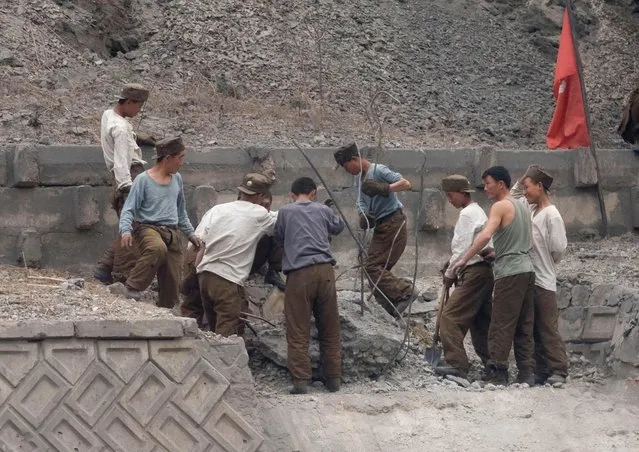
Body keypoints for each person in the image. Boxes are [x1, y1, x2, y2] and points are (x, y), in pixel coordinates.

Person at [451, 166, 535, 386]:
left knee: (501, 323)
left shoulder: (500, 206)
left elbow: (484, 235)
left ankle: (497, 373)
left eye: (488, 183)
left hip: (510, 272)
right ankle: (527, 372)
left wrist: (464, 258)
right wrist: (497, 253)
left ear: (501, 184)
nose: (485, 188)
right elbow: (524, 241)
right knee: (524, 324)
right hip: (527, 270)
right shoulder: (522, 207)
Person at [274, 177, 345, 394]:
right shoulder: (323, 210)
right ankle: (333, 379)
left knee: (298, 329)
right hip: (325, 272)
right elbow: (338, 227)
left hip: (298, 273)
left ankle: (300, 382)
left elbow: (279, 237)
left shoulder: (285, 212)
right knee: (330, 327)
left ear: (293, 195)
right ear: (313, 193)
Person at [113, 136, 202, 308]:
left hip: (172, 233)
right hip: (148, 229)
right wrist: (125, 231)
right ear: (168, 158)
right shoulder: (143, 180)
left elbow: (180, 211)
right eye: (180, 158)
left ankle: (166, 311)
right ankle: (132, 288)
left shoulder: (177, 179)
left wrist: (191, 234)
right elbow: (129, 209)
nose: (182, 163)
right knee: (157, 248)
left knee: (173, 279)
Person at [180, 189, 285, 330]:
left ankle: (197, 336)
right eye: (263, 204)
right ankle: (201, 337)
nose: (264, 209)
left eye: (267, 206)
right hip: (200, 251)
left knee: (215, 304)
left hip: (202, 252)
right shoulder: (254, 215)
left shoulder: (223, 209)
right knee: (199, 303)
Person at [333, 143, 418, 317]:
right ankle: (388, 303)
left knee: (372, 267)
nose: (346, 170)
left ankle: (405, 292)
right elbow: (361, 202)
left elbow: (405, 183)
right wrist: (364, 215)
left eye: (345, 166)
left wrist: (384, 188)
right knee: (374, 267)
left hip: (393, 221)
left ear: (354, 159)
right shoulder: (358, 180)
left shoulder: (378, 170)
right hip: (381, 225)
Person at [511, 165, 569, 385]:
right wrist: (526, 174)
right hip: (529, 278)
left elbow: (558, 250)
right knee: (532, 327)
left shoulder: (551, 215)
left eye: (528, 186)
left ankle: (559, 370)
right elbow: (513, 196)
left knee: (547, 328)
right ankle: (542, 370)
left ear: (540, 186)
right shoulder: (531, 209)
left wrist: (544, 263)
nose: (524, 191)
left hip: (544, 280)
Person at [435, 175, 493, 379]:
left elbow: (462, 249)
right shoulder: (478, 211)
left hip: (474, 271)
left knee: (449, 319)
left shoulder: (468, 214)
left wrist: (450, 273)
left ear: (462, 193)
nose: (450, 200)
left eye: (451, 196)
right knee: (480, 322)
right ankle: (493, 365)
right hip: (485, 272)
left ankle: (457, 364)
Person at [95, 83, 153, 284]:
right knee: (134, 229)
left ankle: (104, 269)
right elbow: (121, 163)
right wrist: (128, 191)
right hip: (129, 177)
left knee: (126, 227)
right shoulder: (120, 129)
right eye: (138, 106)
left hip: (126, 176)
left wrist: (137, 138)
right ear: (128, 102)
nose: (139, 111)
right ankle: (121, 276)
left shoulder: (109, 116)